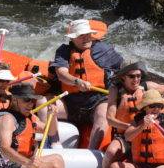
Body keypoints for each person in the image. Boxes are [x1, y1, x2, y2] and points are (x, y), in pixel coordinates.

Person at [102, 61, 164, 168]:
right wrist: (134, 127)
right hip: (125, 135)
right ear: (123, 77)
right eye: (132, 76)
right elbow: (110, 119)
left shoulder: (146, 86)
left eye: (138, 76)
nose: (136, 79)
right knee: (111, 151)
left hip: (144, 133)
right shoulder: (115, 90)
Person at [51, 19, 123, 149]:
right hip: (70, 103)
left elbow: (122, 68)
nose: (86, 38)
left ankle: (91, 151)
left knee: (104, 112)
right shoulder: (64, 51)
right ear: (72, 38)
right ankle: (54, 143)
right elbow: (61, 73)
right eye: (81, 36)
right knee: (45, 106)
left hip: (97, 100)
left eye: (88, 35)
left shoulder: (103, 50)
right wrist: (76, 81)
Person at [0, 84, 65, 168]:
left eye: (32, 101)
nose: (30, 104)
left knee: (57, 158)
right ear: (15, 100)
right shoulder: (6, 118)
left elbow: (50, 132)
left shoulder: (28, 117)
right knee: (54, 166)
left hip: (17, 166)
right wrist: (28, 162)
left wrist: (52, 116)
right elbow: (4, 148)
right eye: (26, 100)